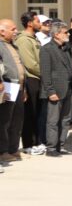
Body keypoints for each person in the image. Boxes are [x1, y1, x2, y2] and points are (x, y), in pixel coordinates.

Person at [39, 21, 72, 156]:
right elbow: (45, 72)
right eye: (65, 32)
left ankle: (61, 145)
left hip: (68, 89)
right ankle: (51, 148)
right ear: (57, 34)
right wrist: (50, 91)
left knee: (65, 120)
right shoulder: (47, 49)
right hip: (55, 91)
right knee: (53, 121)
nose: (68, 34)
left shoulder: (65, 48)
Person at [14, 11, 44, 154]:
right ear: (30, 23)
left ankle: (36, 142)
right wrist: (46, 74)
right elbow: (30, 64)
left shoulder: (34, 38)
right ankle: (28, 145)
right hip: (31, 79)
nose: (40, 23)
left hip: (38, 79)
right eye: (37, 21)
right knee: (29, 114)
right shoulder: (24, 40)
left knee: (37, 113)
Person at [0, 18, 27, 166]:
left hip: (19, 87)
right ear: (2, 31)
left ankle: (13, 148)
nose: (16, 31)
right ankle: (3, 151)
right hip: (7, 87)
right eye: (13, 29)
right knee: (5, 120)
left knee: (17, 119)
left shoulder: (13, 45)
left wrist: (24, 89)